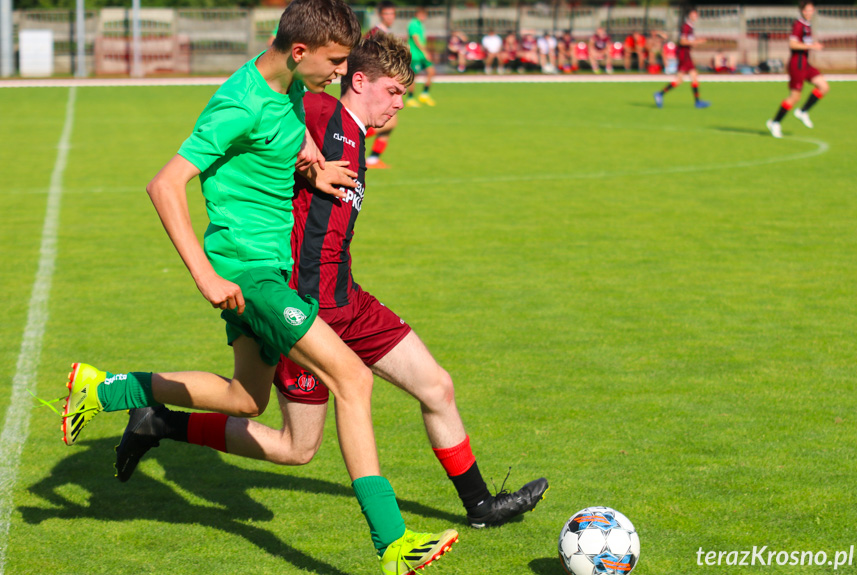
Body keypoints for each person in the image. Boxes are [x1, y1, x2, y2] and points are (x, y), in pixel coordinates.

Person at [56, 2, 459, 573]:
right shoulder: (237, 103)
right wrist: (206, 274)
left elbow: (283, 141)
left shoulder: (288, 84)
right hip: (247, 271)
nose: (343, 75)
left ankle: (106, 388)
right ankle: (392, 542)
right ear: (300, 51)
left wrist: (313, 167)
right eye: (337, 62)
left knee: (247, 399)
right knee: (352, 378)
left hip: (263, 269)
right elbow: (165, 184)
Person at [115, 30, 549, 533]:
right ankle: (159, 421)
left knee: (437, 386)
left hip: (350, 301)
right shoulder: (320, 111)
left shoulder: (355, 134)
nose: (400, 105)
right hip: (305, 307)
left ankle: (480, 506)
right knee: (295, 448)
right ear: (359, 81)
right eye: (393, 92)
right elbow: (278, 88)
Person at [766, 1, 829, 138]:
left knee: (824, 86)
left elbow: (804, 43)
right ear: (801, 11)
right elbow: (793, 44)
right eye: (806, 10)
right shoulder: (799, 25)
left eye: (811, 10)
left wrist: (813, 44)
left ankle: (803, 111)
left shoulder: (808, 25)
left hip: (806, 64)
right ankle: (775, 122)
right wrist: (812, 47)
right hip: (797, 65)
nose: (809, 13)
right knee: (795, 97)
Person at [654, 7, 710, 109]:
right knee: (689, 77)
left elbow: (688, 41)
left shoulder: (690, 27)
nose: (695, 16)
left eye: (696, 15)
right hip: (684, 54)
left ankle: (661, 94)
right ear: (689, 15)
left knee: (686, 78)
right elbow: (682, 41)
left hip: (686, 54)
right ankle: (660, 94)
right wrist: (697, 42)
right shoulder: (686, 27)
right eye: (693, 14)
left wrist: (695, 42)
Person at [365, 0, 399, 168]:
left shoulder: (387, 32)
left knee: (391, 121)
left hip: (385, 81)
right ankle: (354, 136)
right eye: (386, 14)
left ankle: (373, 158)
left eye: (392, 14)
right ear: (380, 15)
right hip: (376, 82)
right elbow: (363, 55)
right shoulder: (376, 33)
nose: (390, 17)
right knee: (389, 121)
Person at [406, 7, 436, 107]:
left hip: (422, 55)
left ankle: (425, 94)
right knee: (414, 76)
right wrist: (425, 51)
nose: (424, 17)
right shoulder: (413, 24)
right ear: (418, 14)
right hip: (415, 55)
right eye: (423, 15)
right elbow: (416, 40)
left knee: (431, 71)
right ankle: (410, 98)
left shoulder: (420, 24)